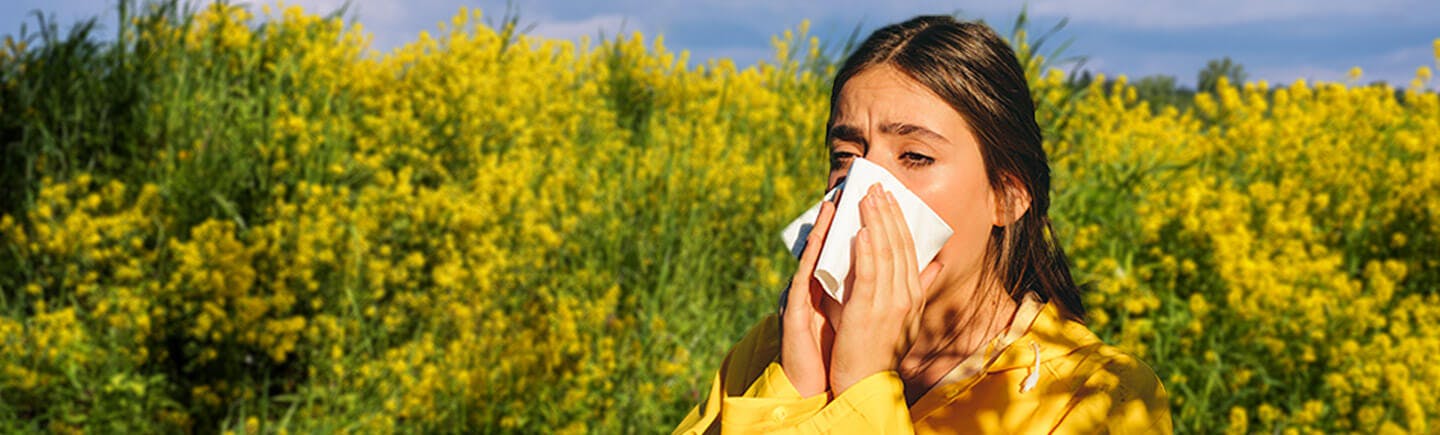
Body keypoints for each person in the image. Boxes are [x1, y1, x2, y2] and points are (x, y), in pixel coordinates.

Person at [673, 15, 1172, 434]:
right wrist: (796, 389)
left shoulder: (1097, 395)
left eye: (915, 155)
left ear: (1007, 196)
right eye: (845, 155)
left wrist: (864, 386)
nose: (865, 186)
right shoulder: (778, 346)